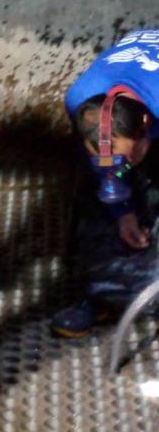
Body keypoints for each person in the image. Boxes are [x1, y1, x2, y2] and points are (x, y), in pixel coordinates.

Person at [52, 29, 159, 337]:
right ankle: (97, 294)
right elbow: (106, 170)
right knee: (94, 195)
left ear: (145, 126)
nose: (117, 169)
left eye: (125, 158)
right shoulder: (81, 100)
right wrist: (121, 211)